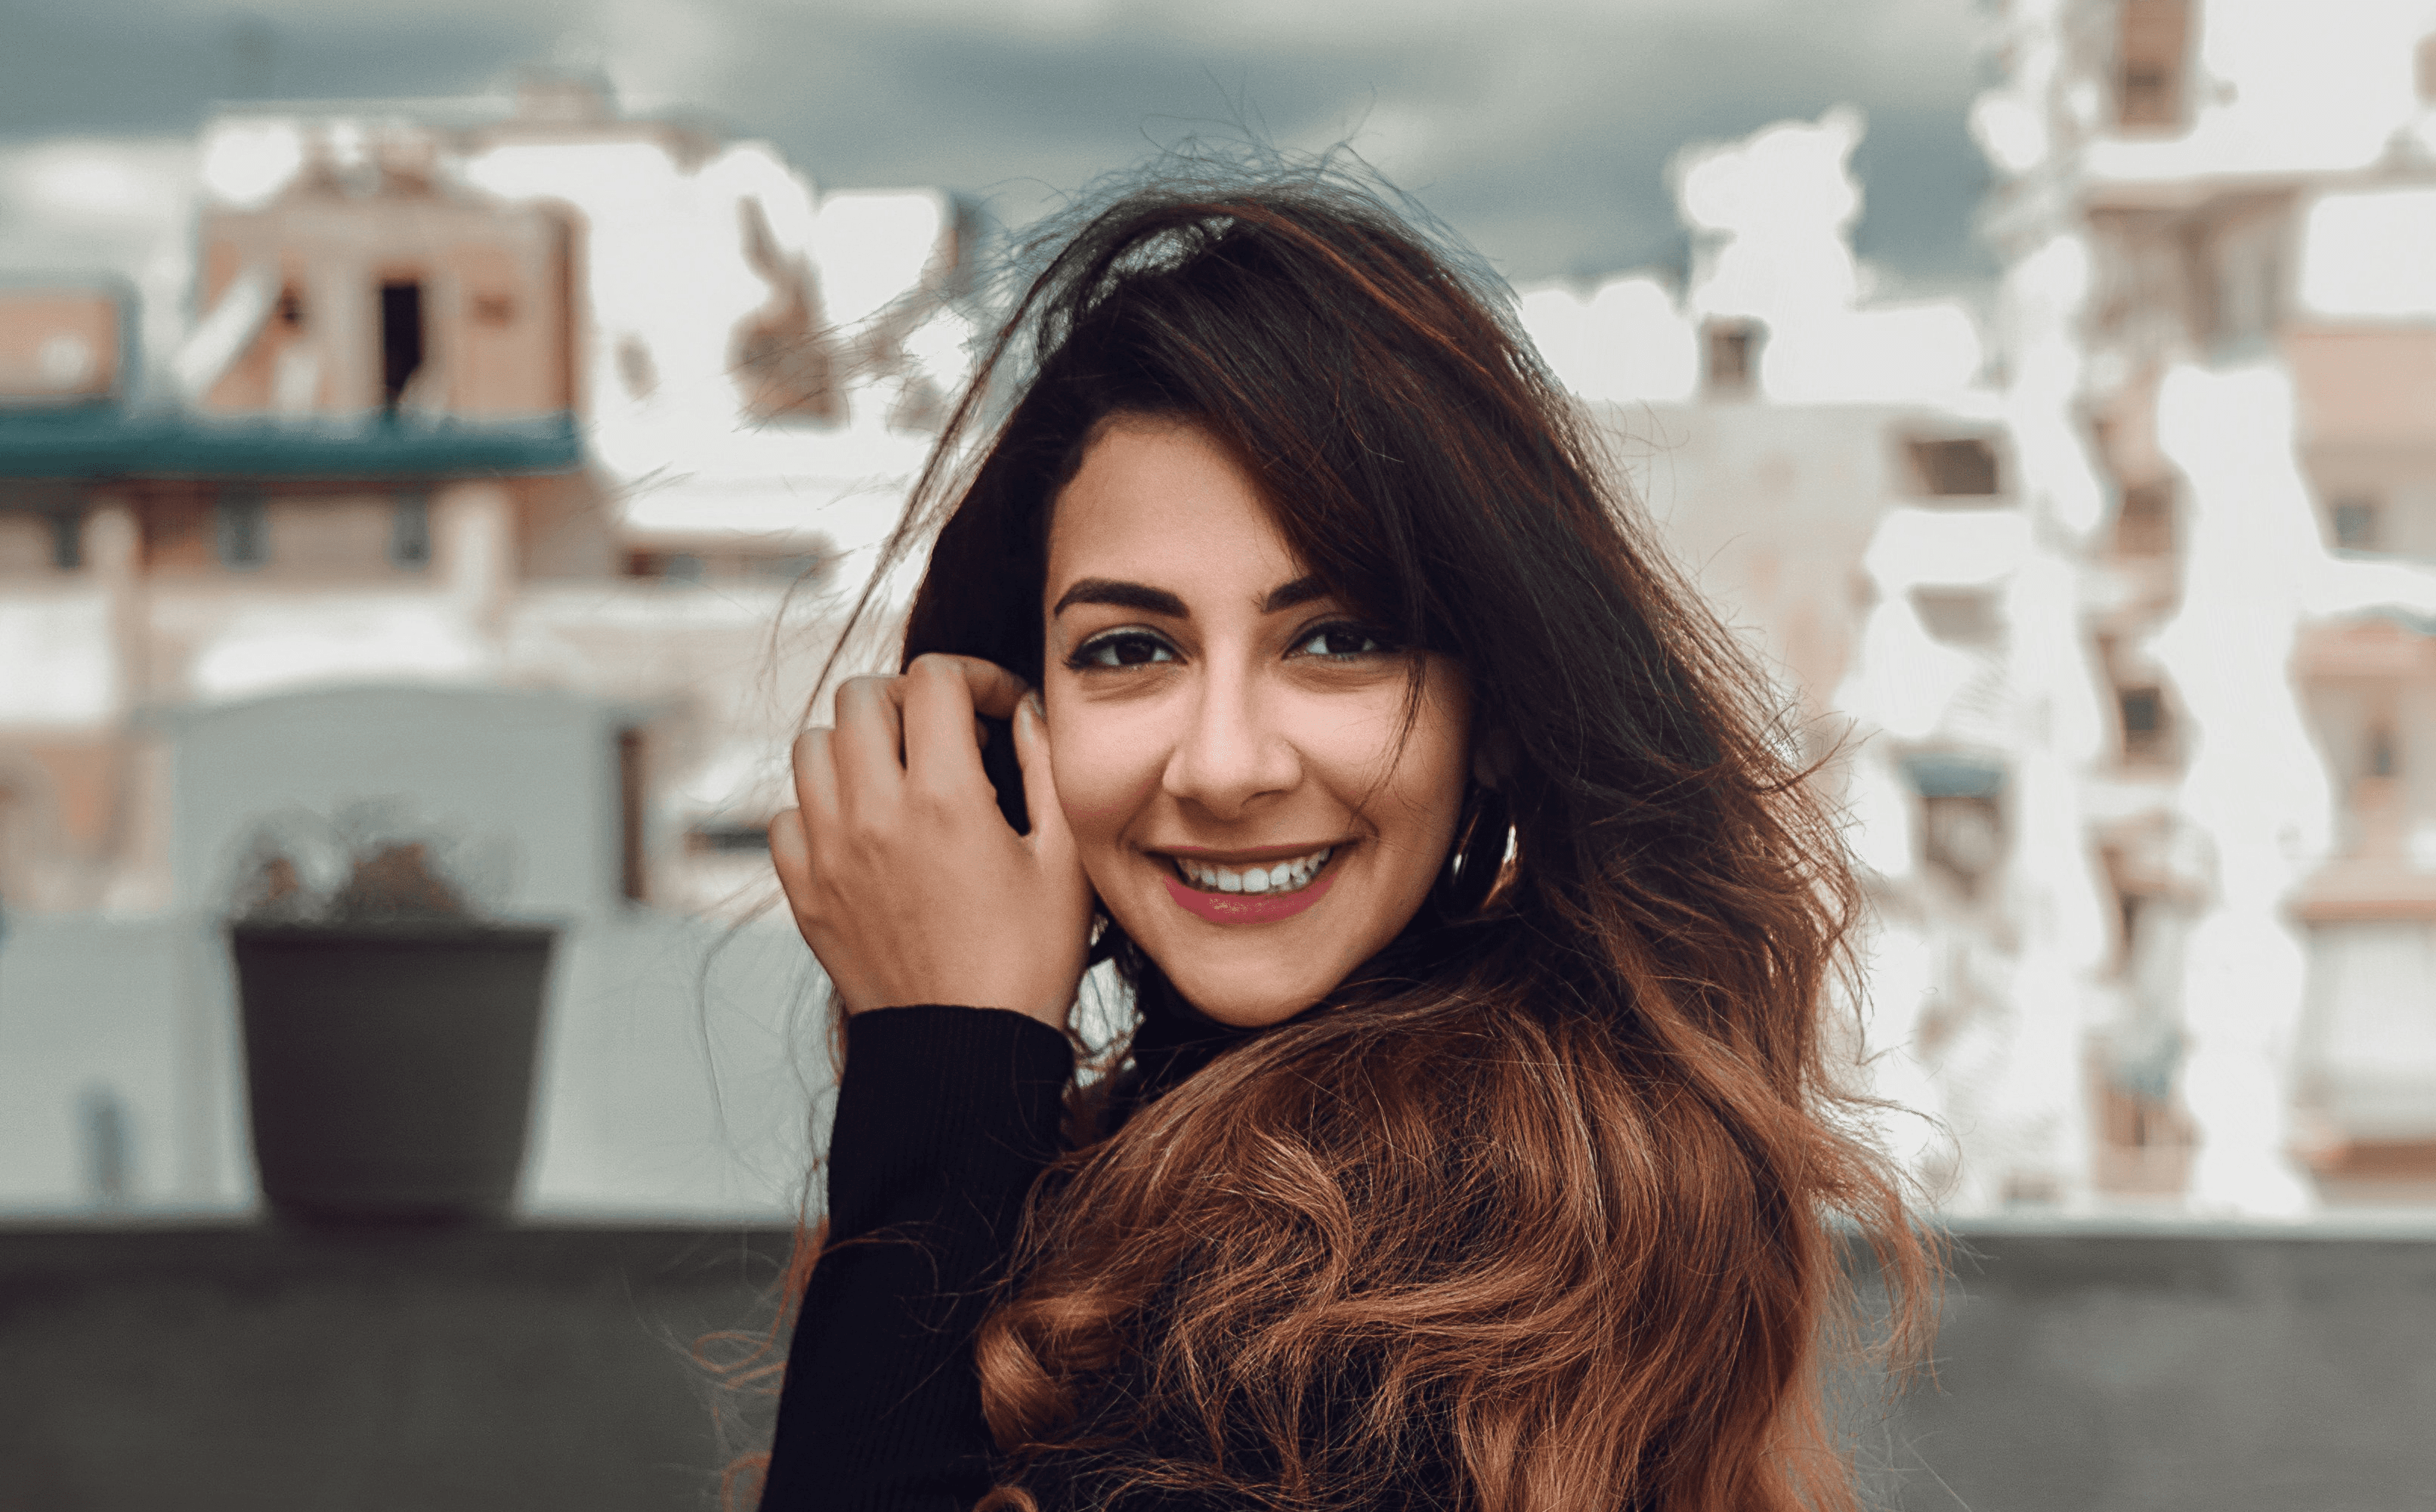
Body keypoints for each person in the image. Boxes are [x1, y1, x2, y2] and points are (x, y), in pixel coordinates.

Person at [750, 165, 1936, 1512]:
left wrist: (936, 1066)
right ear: (1009, 724)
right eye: (1130, 649)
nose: (1226, 764)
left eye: (1339, 640)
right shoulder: (1143, 1158)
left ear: (1496, 704)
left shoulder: (1444, 1283)